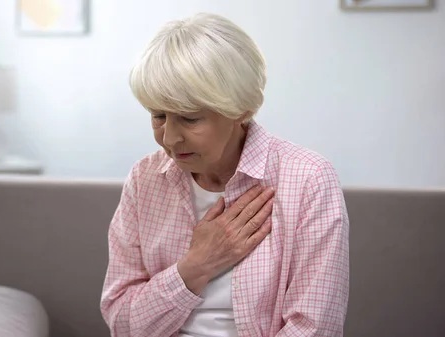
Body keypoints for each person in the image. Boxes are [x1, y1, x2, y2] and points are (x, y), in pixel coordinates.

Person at [100, 13, 349, 337]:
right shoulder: (144, 179)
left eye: (190, 118)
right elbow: (122, 324)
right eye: (158, 115)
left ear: (241, 109)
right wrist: (195, 266)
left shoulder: (307, 180)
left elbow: (315, 329)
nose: (170, 138)